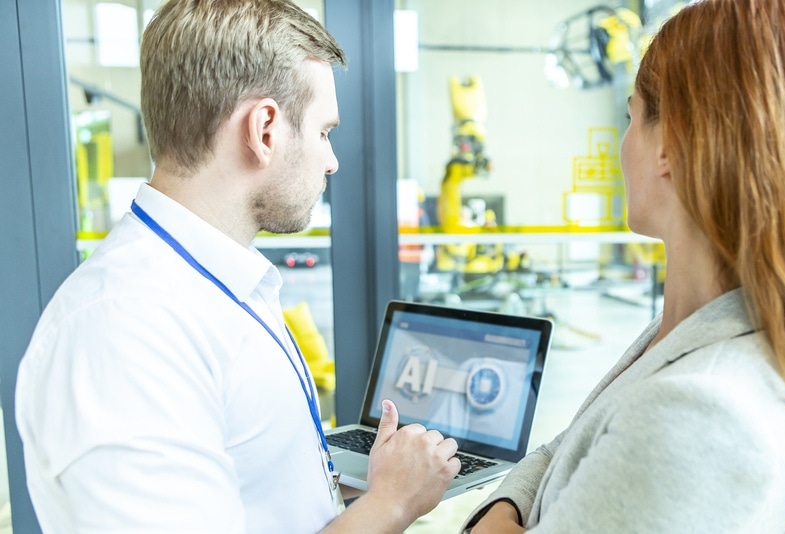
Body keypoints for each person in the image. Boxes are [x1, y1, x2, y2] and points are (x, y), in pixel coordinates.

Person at [15, 1, 460, 532]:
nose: (332, 160)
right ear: (264, 129)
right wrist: (393, 502)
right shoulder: (125, 330)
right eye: (323, 132)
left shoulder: (220, 282)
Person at [463, 0, 785, 532]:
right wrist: (507, 511)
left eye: (631, 117)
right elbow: (565, 449)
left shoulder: (700, 408)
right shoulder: (693, 331)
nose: (624, 145)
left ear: (670, 142)